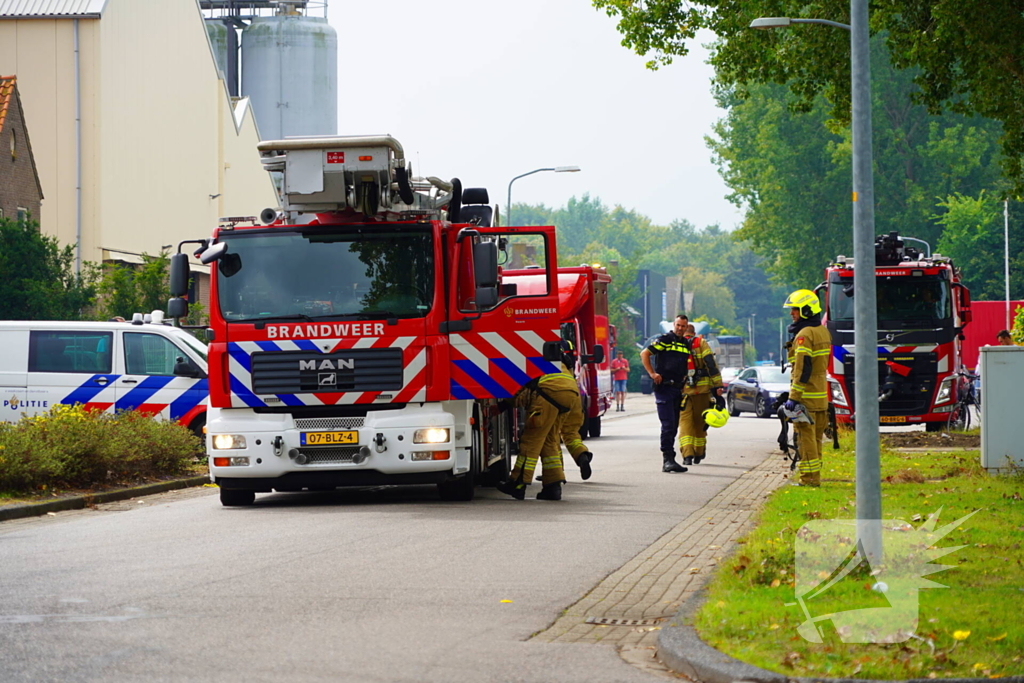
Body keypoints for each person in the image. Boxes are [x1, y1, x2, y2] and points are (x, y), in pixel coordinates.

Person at [498, 349, 593, 500]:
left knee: (531, 440)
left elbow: (522, 386)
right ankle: (552, 487)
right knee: (551, 439)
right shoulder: (561, 358)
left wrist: (502, 405)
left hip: (549, 393)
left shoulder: (532, 356)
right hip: (572, 394)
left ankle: (517, 484)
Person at [782, 289, 832, 487]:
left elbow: (803, 368)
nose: (792, 314)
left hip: (806, 397)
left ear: (806, 310)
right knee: (817, 439)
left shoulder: (804, 335)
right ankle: (815, 478)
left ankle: (808, 480)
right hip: (820, 396)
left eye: (795, 310)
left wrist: (793, 397)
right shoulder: (823, 331)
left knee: (805, 438)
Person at [640, 314, 691, 473]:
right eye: (678, 325)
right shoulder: (665, 340)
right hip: (664, 388)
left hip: (677, 389)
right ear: (674, 325)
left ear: (686, 327)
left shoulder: (685, 344)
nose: (680, 328)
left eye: (683, 326)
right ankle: (667, 460)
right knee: (668, 425)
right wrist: (652, 374)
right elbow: (645, 354)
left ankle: (671, 460)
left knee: (674, 425)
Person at [678, 324, 725, 466]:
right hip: (702, 390)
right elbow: (711, 364)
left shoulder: (676, 343)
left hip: (683, 392)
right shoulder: (700, 343)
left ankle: (687, 455)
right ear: (694, 333)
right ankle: (699, 452)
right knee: (700, 423)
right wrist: (718, 386)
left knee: (685, 424)